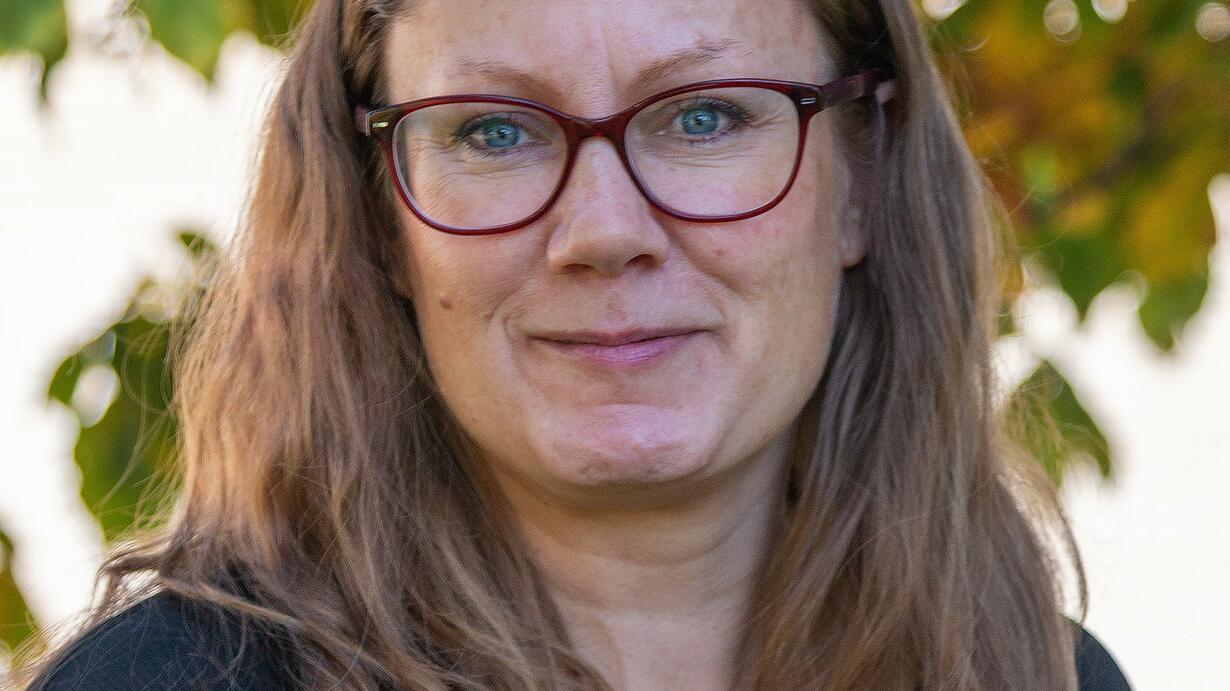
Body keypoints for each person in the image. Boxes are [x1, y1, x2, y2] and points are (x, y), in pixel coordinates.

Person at [21, 0, 1132, 689]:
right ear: (380, 218)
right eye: (494, 130)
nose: (603, 231)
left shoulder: (1040, 675)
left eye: (704, 115)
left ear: (863, 180)